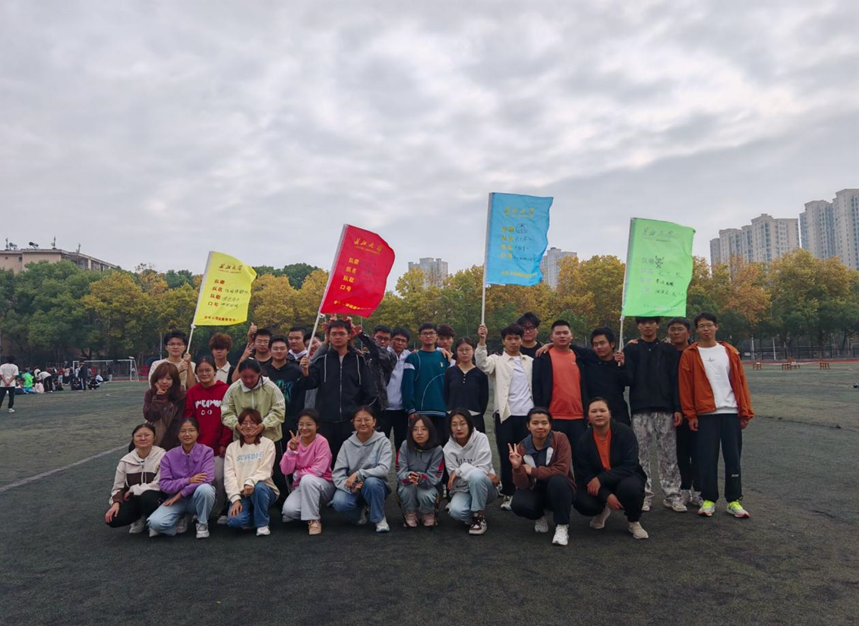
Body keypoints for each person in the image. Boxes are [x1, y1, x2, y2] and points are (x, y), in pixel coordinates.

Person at [679, 312, 754, 519]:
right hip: (706, 414)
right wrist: (690, 415)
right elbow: (685, 387)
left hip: (730, 412)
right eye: (702, 326)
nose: (706, 329)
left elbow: (740, 382)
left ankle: (734, 500)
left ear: (716, 327)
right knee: (706, 459)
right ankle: (709, 499)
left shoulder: (729, 351)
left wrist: (745, 411)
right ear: (696, 330)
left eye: (709, 325)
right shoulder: (690, 354)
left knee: (733, 458)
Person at [623, 317, 685, 513]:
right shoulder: (631, 349)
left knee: (668, 454)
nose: (647, 326)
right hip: (640, 410)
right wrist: (622, 361)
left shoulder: (668, 350)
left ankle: (673, 495)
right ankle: (643, 494)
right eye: (643, 323)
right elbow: (628, 379)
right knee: (641, 456)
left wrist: (677, 408)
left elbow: (675, 380)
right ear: (638, 326)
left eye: (651, 322)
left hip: (665, 409)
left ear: (657, 325)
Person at [475, 322, 534, 510]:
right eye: (509, 339)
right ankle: (509, 491)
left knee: (526, 455)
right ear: (503, 341)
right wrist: (482, 340)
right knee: (507, 455)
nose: (513, 342)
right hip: (505, 415)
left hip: (527, 415)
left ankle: (526, 489)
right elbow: (482, 364)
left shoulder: (529, 362)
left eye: (516, 338)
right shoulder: (497, 360)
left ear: (521, 340)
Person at [573, 398, 649, 540]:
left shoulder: (625, 432)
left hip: (624, 477)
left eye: (602, 410)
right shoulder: (583, 441)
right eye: (594, 411)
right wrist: (606, 496)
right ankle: (601, 509)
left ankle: (633, 521)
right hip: (598, 484)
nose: (598, 414)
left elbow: (630, 466)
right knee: (581, 500)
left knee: (631, 488)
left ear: (609, 413)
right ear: (588, 417)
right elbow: (584, 474)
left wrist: (601, 478)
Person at [300, 319, 375, 462]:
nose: (337, 337)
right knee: (327, 461)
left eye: (341, 333)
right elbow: (308, 384)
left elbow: (369, 391)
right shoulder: (322, 361)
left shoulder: (359, 361)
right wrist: (305, 371)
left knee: (350, 461)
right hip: (326, 421)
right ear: (328, 336)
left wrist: (359, 414)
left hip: (350, 421)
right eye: (334, 334)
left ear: (349, 335)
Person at [509, 408, 576, 546]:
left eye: (544, 423)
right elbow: (522, 485)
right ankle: (539, 515)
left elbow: (561, 470)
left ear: (550, 425)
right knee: (518, 503)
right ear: (528, 426)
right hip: (537, 490)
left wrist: (533, 471)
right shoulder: (521, 447)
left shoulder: (560, 439)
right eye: (535, 423)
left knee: (558, 481)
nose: (540, 426)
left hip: (561, 488)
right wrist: (517, 468)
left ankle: (562, 525)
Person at [221, 359, 287, 496]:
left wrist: (264, 425)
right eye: (244, 377)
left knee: (275, 473)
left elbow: (279, 411)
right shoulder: (233, 389)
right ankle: (239, 500)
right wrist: (237, 426)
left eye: (252, 377)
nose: (248, 380)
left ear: (259, 374)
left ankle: (280, 502)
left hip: (270, 438)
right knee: (242, 473)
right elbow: (226, 412)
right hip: (243, 440)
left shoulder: (271, 388)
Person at [147, 417, 216, 539]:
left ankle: (202, 522)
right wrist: (188, 480)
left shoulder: (207, 452)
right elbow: (164, 485)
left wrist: (181, 493)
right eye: (183, 431)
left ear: (198, 433)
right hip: (176, 500)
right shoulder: (169, 456)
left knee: (206, 489)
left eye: (191, 430)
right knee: (155, 523)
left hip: (196, 498)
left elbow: (207, 478)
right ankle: (181, 517)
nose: (187, 434)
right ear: (177, 434)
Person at [184, 356, 232, 524]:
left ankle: (220, 510)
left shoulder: (225, 389)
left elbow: (228, 417)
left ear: (215, 371)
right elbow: (189, 418)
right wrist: (191, 443)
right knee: (202, 480)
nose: (204, 374)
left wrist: (224, 442)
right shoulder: (192, 392)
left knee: (219, 479)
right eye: (200, 371)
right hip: (199, 447)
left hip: (218, 446)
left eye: (207, 370)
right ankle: (202, 509)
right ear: (196, 373)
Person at [331, 407, 393, 533]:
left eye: (367, 420)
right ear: (353, 422)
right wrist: (351, 486)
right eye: (359, 420)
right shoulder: (347, 444)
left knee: (371, 482)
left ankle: (379, 518)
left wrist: (358, 474)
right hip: (354, 486)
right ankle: (360, 512)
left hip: (376, 485)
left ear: (374, 421)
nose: (363, 423)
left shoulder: (383, 442)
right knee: (339, 502)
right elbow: (337, 474)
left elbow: (383, 469)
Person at [532, 320, 591, 446]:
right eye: (558, 333)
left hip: (578, 417)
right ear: (551, 336)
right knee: (555, 455)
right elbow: (536, 388)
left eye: (565, 333)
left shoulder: (580, 357)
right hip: (553, 417)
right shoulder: (543, 358)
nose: (562, 336)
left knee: (580, 454)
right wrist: (541, 412)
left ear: (571, 336)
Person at [224, 409, 279, 536]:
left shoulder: (268, 444)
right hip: (242, 494)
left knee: (259, 487)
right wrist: (235, 499)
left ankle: (262, 524)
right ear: (239, 426)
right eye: (244, 423)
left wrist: (250, 482)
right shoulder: (232, 447)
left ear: (259, 425)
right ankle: (255, 512)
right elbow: (229, 475)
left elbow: (266, 470)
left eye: (252, 423)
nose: (248, 426)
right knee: (235, 521)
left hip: (264, 490)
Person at [444, 409, 499, 535]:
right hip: (464, 489)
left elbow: (483, 469)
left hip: (487, 489)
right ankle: (474, 512)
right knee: (455, 512)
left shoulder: (481, 438)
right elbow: (456, 482)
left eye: (462, 423)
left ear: (470, 424)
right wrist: (475, 473)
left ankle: (479, 517)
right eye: (454, 424)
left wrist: (459, 471)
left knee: (476, 476)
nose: (459, 428)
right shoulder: (448, 448)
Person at [280, 409, 335, 535]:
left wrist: (298, 474)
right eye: (301, 424)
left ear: (317, 426)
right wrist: (291, 451)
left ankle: (313, 520)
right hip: (301, 485)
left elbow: (318, 470)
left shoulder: (321, 442)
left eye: (309, 424)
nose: (304, 428)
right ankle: (313, 506)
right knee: (289, 511)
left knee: (307, 479)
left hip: (324, 485)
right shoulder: (293, 442)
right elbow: (285, 470)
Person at [104, 424, 167, 534]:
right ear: (133, 438)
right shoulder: (125, 461)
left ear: (154, 437)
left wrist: (134, 489)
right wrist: (116, 503)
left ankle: (153, 520)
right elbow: (117, 487)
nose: (143, 438)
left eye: (147, 435)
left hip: (156, 496)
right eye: (139, 436)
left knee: (148, 496)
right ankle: (139, 518)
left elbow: (160, 483)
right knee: (113, 519)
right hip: (134, 498)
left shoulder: (163, 456)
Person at [666, 317, 701, 507]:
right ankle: (685, 488)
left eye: (679, 329)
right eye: (672, 329)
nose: (676, 332)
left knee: (698, 451)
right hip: (675, 411)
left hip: (696, 410)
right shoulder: (666, 353)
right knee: (680, 452)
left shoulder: (697, 352)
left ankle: (700, 490)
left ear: (688, 332)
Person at [402, 322, 450, 444]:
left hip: (441, 411)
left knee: (441, 446)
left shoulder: (445, 357)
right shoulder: (413, 358)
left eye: (431, 333)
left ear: (436, 336)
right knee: (421, 446)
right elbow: (407, 386)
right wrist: (411, 409)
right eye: (425, 333)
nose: (428, 336)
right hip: (420, 412)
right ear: (420, 337)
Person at [396, 415, 444, 528]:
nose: (419, 433)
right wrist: (409, 476)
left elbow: (434, 477)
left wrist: (420, 478)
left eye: (424, 429)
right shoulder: (405, 445)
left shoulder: (437, 450)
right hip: (408, 484)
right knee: (408, 489)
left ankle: (428, 512)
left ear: (430, 431)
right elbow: (400, 471)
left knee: (424, 493)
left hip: (430, 486)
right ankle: (410, 512)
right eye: (415, 429)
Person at [584, 327, 633, 426]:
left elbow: (629, 381)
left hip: (618, 414)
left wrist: (622, 366)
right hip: (596, 414)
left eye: (602, 343)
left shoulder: (619, 363)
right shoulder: (589, 359)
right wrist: (552, 345)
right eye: (595, 344)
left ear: (612, 344)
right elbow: (568, 346)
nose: (599, 347)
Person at [443, 337, 489, 432]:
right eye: (461, 350)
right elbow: (445, 395)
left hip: (474, 418)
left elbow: (483, 399)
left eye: (467, 349)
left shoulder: (480, 374)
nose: (464, 353)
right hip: (452, 418)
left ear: (473, 350)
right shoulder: (450, 372)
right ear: (456, 351)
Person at [263, 335, 303, 432]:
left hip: (291, 420)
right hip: (268, 419)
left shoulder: (296, 371)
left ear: (288, 350)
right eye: (275, 348)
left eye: (282, 348)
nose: (279, 351)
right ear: (269, 350)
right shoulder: (263, 371)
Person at [379, 327, 411, 449]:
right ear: (391, 340)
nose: (399, 343)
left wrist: (441, 349)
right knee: (381, 443)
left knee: (402, 443)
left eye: (403, 341)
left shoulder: (409, 356)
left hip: (402, 409)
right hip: (384, 408)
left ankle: (400, 462)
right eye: (397, 339)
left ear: (407, 343)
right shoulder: (382, 354)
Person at [143, 362, 187, 450]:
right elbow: (150, 416)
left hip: (173, 442)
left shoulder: (181, 396)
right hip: (154, 439)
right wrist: (159, 398)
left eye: (169, 379)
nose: (164, 381)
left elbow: (177, 423)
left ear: (174, 380)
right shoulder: (150, 393)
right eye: (161, 378)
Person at [357, 324, 396, 416]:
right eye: (379, 338)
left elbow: (377, 350)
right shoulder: (365, 356)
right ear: (373, 337)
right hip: (360, 401)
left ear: (390, 341)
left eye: (386, 339)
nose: (382, 341)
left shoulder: (391, 356)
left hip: (378, 403)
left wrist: (361, 334)